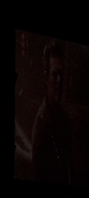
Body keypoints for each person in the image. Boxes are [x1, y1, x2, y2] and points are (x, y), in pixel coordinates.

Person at [31, 41, 72, 185]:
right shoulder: (41, 124)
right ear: (46, 78)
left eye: (61, 74)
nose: (59, 81)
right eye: (55, 75)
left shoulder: (63, 117)